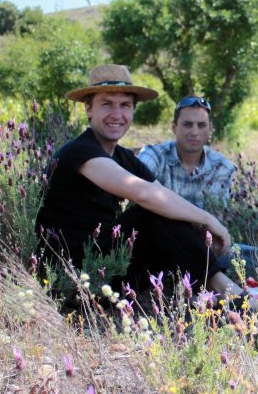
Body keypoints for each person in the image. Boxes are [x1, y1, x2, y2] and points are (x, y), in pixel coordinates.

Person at [35, 64, 244, 300]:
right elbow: (145, 195)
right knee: (151, 213)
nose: (117, 114)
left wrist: (201, 228)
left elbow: (163, 195)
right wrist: (208, 219)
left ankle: (200, 294)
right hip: (69, 274)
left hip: (106, 265)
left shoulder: (123, 157)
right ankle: (229, 293)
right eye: (107, 104)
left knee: (171, 213)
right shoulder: (80, 152)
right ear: (89, 109)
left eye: (125, 105)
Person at [138, 96, 235, 210]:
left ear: (210, 129)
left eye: (201, 125)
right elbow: (140, 196)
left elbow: (216, 214)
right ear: (174, 127)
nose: (194, 132)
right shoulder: (154, 156)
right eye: (187, 124)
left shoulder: (221, 167)